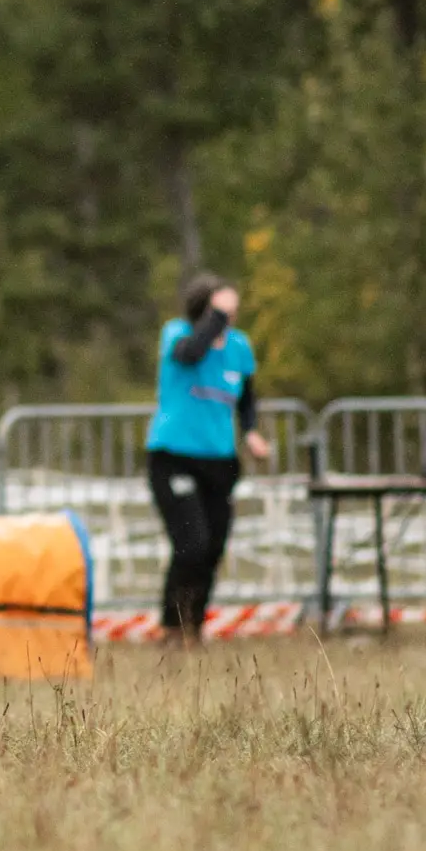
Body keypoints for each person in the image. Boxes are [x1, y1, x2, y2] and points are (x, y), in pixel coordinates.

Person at [145, 273, 270, 644]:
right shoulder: (177, 334)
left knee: (213, 546)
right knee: (191, 542)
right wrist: (214, 314)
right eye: (222, 311)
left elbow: (246, 396)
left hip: (219, 460)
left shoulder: (239, 346)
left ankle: (193, 626)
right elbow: (191, 353)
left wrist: (250, 432)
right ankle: (172, 625)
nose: (229, 318)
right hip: (173, 456)